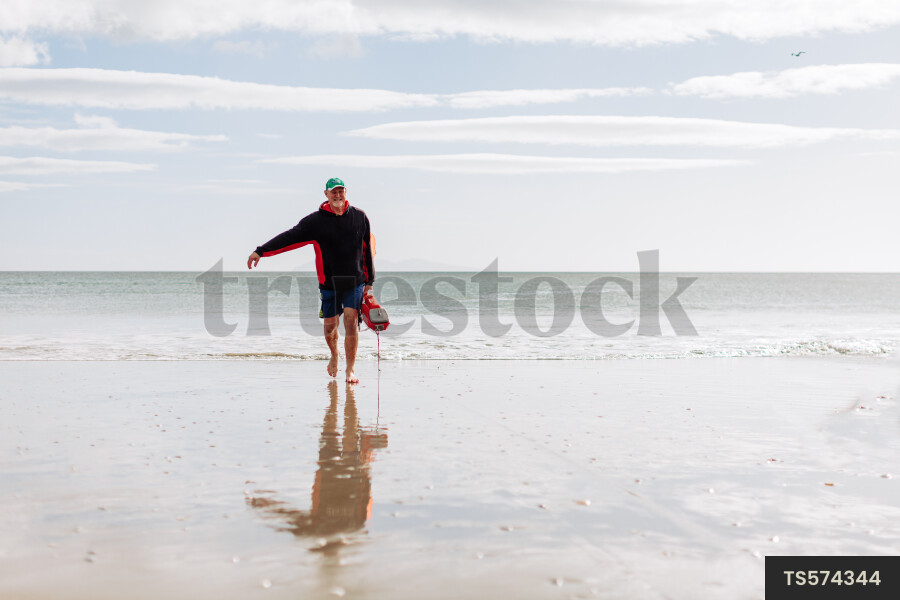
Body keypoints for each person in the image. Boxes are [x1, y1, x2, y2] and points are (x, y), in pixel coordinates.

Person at [247, 177, 374, 383]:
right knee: (330, 327)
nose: (337, 195)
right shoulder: (316, 221)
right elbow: (290, 237)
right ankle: (334, 354)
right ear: (326, 194)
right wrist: (261, 251)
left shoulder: (360, 217)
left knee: (351, 321)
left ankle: (350, 370)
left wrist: (370, 281)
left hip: (355, 280)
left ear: (345, 192)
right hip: (329, 282)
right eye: (333, 192)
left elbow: (368, 248)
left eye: (340, 191)